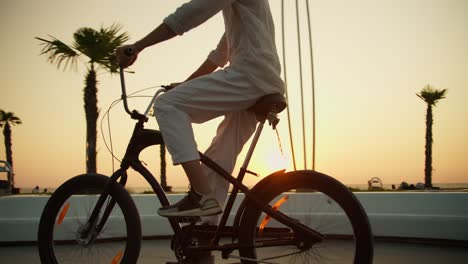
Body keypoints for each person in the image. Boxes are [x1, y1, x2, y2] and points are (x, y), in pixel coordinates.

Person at [117, 0, 285, 219]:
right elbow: (221, 52)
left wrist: (137, 47)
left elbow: (190, 14)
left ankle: (200, 195)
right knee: (219, 157)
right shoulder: (247, 11)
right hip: (264, 80)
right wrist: (187, 83)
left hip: (248, 76)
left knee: (167, 105)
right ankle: (205, 227)